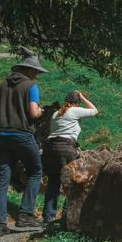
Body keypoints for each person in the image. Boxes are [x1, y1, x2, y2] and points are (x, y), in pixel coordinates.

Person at [0, 47, 47, 236]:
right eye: (36, 72)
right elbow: (33, 112)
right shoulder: (30, 86)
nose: (37, 75)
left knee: (2, 178)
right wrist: (40, 112)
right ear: (29, 70)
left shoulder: (0, 86)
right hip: (21, 134)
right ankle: (25, 215)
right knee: (35, 170)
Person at [43, 91, 98, 226]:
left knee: (53, 182)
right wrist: (83, 96)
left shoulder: (56, 113)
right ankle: (67, 214)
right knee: (73, 181)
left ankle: (48, 216)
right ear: (76, 102)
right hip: (66, 148)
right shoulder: (74, 110)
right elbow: (94, 111)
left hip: (50, 148)